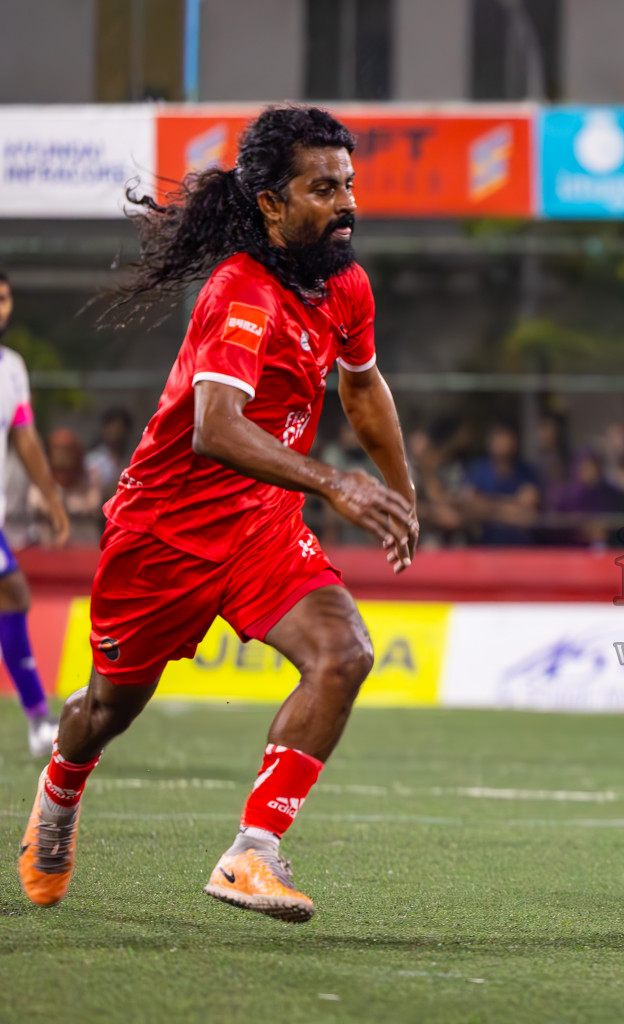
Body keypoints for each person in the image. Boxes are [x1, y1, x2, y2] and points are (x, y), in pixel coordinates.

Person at [17, 106, 418, 923]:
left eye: (348, 184)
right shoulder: (241, 290)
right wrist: (336, 484)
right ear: (270, 204)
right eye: (321, 188)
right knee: (106, 711)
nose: (345, 204)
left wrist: (401, 490)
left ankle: (252, 854)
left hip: (262, 525)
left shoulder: (345, 282)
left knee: (344, 652)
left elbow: (363, 385)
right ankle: (59, 792)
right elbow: (216, 428)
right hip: (164, 535)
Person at [0, 270, 72, 755]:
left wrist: (50, 494)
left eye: (2, 298)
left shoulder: (12, 367)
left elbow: (23, 435)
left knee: (13, 596)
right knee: (14, 593)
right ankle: (38, 719)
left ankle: (37, 719)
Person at [462, 421, 540, 545]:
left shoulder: (527, 472)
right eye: (497, 437)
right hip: (485, 547)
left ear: (515, 441)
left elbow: (528, 513)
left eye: (505, 436)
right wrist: (511, 506)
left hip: (520, 548)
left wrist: (488, 507)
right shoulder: (478, 470)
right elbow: (471, 507)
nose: (501, 442)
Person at [84, 408, 134, 494]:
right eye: (111, 427)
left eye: (119, 428)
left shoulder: (133, 461)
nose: (115, 432)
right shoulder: (92, 461)